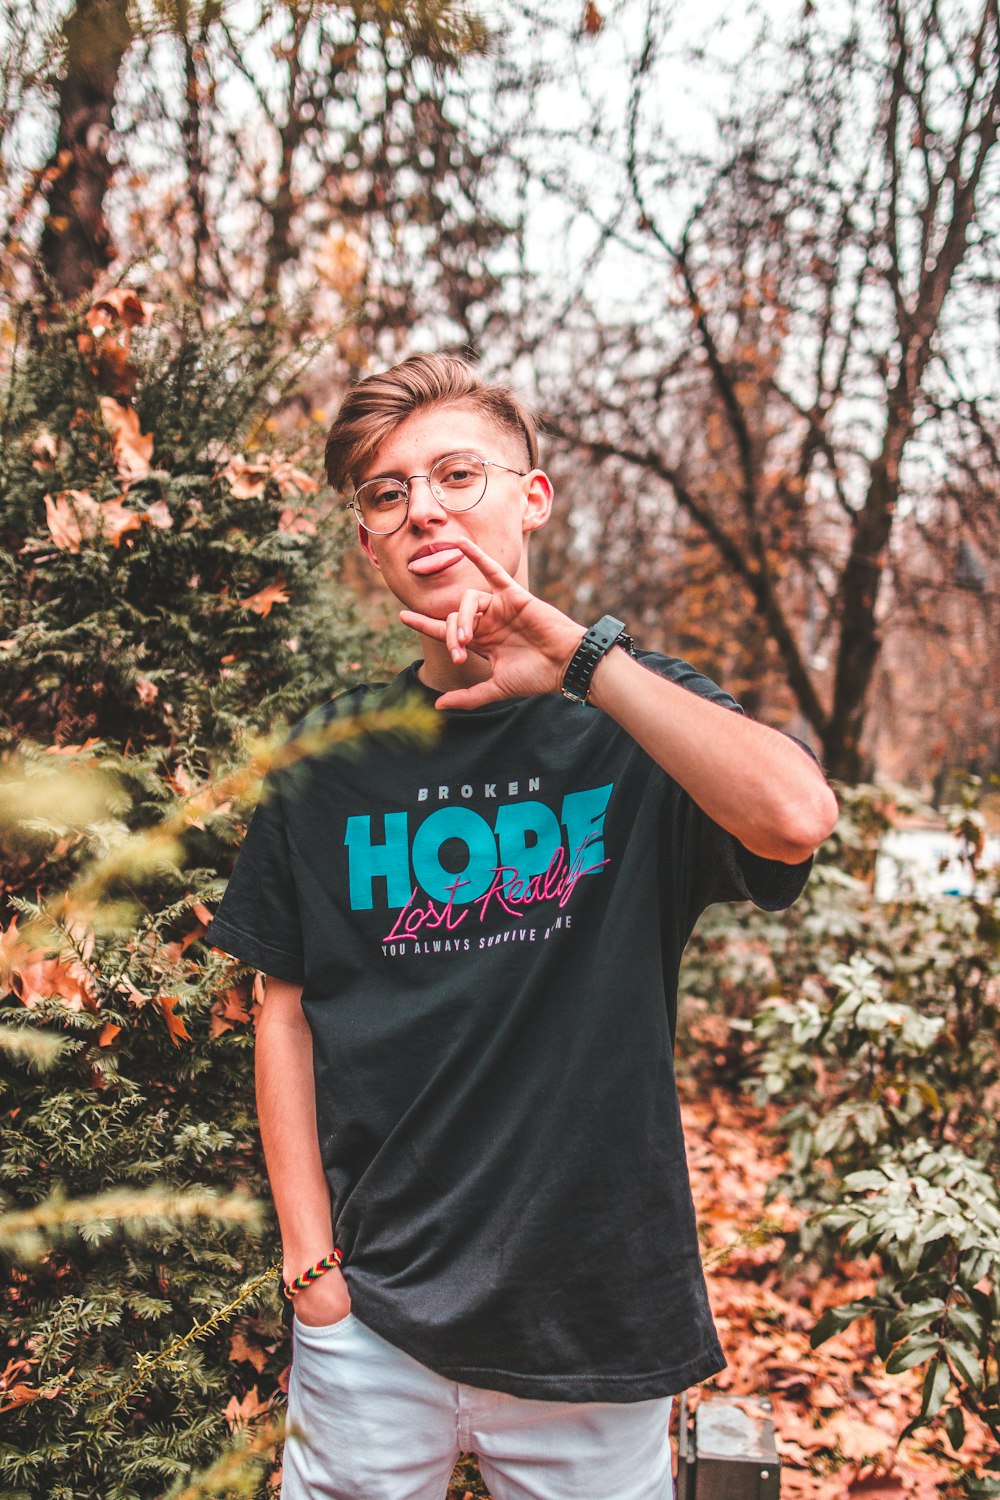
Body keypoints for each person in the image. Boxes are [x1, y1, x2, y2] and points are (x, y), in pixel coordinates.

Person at [208, 354, 839, 1500]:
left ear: (532, 496)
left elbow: (795, 817)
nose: (423, 508)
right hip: (371, 1324)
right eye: (387, 493)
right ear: (366, 541)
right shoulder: (325, 758)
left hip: (594, 1320)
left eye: (456, 473)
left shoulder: (636, 722)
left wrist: (585, 665)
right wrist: (310, 1269)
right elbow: (283, 1013)